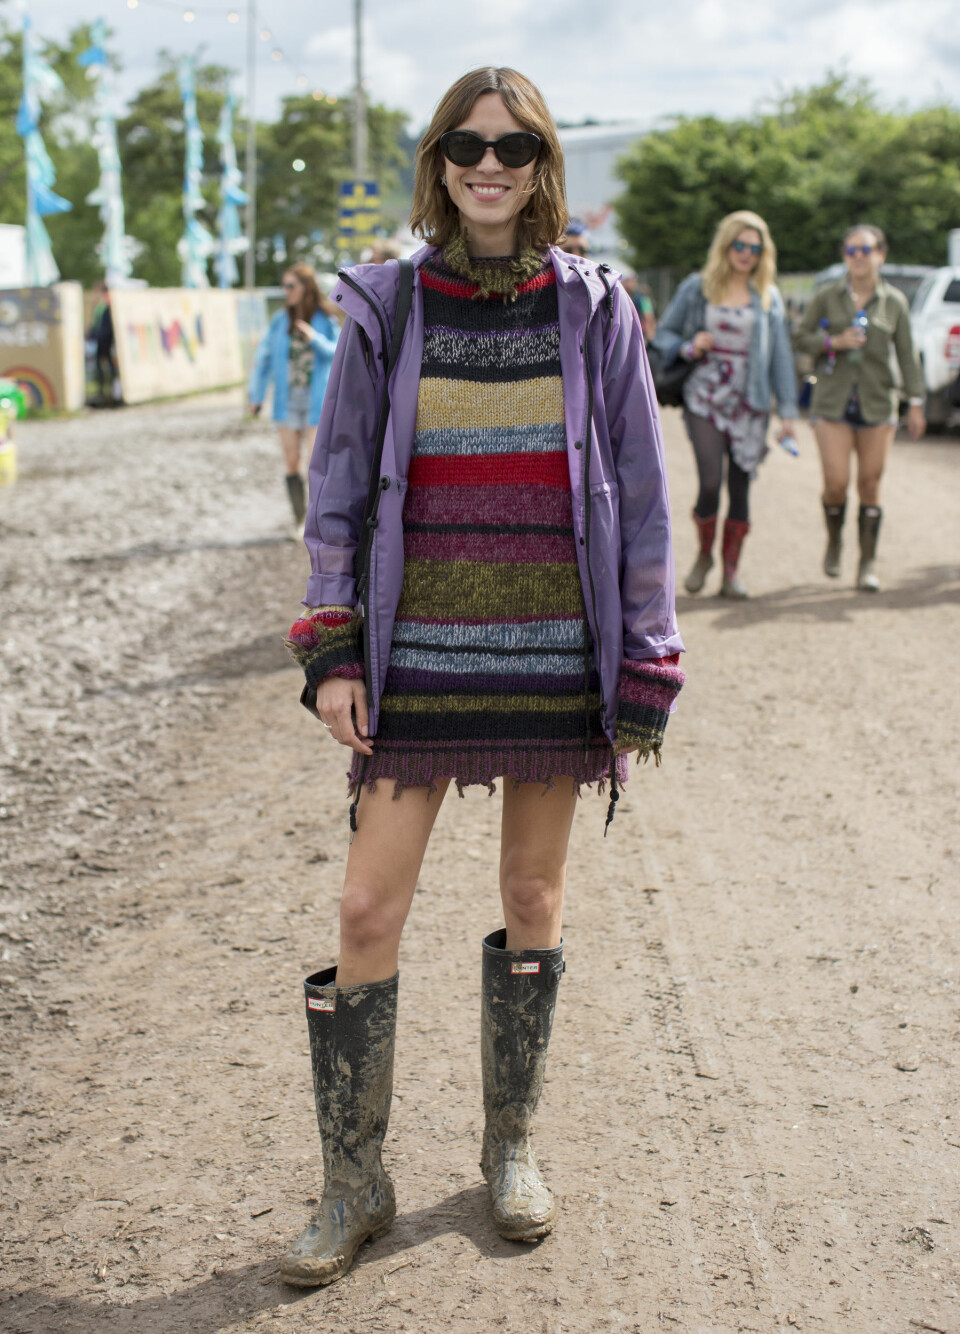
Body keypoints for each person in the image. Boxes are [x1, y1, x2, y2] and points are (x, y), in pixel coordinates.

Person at [280, 65, 685, 1287]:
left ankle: (511, 1143)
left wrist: (647, 656)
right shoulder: (389, 304)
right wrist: (332, 647)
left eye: (513, 146)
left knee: (533, 894)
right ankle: (355, 1177)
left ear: (543, 162)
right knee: (366, 909)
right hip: (416, 664)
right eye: (467, 144)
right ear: (440, 161)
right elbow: (337, 485)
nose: (489, 165)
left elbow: (642, 495)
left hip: (555, 658)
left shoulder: (596, 308)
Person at [651, 211, 798, 598]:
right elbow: (664, 333)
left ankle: (731, 573)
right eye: (740, 245)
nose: (747, 253)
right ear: (726, 245)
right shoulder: (697, 287)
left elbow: (781, 357)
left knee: (741, 486)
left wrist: (787, 414)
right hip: (704, 395)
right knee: (711, 480)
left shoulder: (768, 296)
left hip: (750, 401)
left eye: (755, 248)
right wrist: (689, 346)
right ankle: (704, 554)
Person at [795, 224, 925, 591]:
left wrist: (915, 402)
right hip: (832, 402)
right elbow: (800, 337)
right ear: (844, 256)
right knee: (836, 483)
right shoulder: (827, 295)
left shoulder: (894, 301)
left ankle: (867, 562)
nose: (858, 257)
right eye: (851, 250)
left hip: (877, 403)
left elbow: (907, 355)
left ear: (881, 254)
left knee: (870, 482)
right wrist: (832, 342)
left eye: (865, 250)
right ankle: (835, 541)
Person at [248, 264, 340, 526]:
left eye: (291, 286)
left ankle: (315, 521)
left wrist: (314, 338)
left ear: (306, 287)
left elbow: (339, 353)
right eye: (284, 286)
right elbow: (263, 359)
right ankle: (299, 520)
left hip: (317, 401)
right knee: (291, 462)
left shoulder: (326, 320)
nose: (285, 291)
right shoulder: (279, 321)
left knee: (315, 464)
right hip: (286, 401)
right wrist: (256, 396)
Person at [87, 281, 119, 406]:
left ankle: (109, 391)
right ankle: (103, 391)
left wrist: (97, 336)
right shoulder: (100, 305)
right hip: (100, 337)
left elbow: (105, 325)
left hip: (105, 338)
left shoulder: (107, 304)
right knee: (101, 365)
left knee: (106, 364)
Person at [623, 274, 657, 341]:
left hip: (642, 334)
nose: (633, 283)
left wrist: (650, 333)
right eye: (631, 281)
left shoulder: (641, 298)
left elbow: (649, 316)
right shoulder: (625, 297)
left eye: (634, 281)